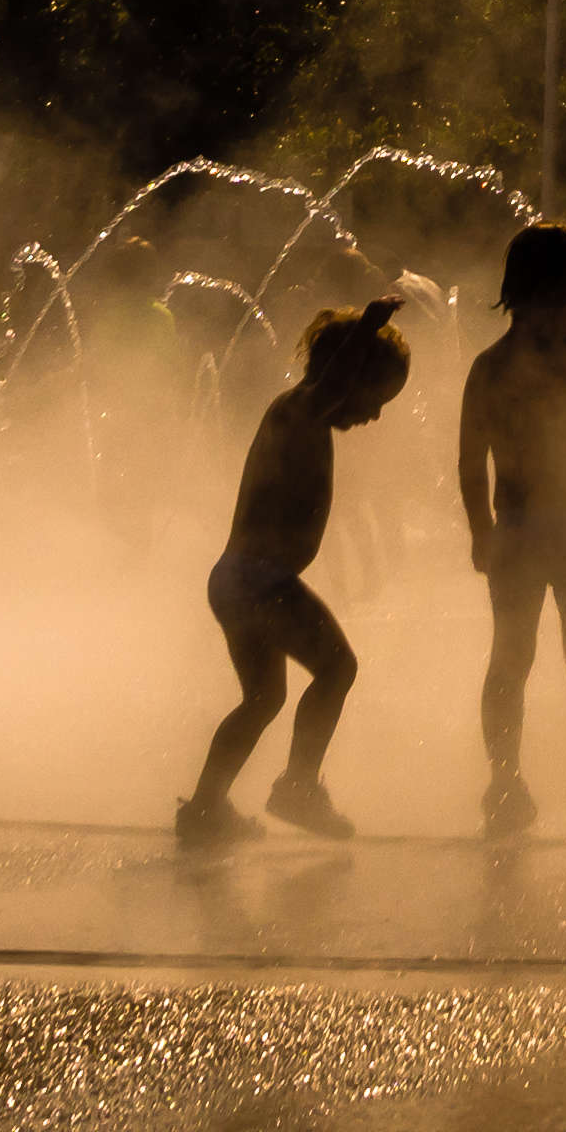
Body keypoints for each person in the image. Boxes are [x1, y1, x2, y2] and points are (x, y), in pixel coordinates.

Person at [183, 299, 414, 845]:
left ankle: (204, 808)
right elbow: (329, 386)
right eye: (374, 399)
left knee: (263, 699)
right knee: (338, 669)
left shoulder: (298, 414)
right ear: (345, 376)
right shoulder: (301, 410)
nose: (374, 415)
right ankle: (298, 786)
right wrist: (368, 327)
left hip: (238, 578)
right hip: (261, 581)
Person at [456, 222, 566, 834]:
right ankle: (511, 781)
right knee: (520, 659)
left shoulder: (537, 361)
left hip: (560, 532)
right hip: (536, 533)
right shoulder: (502, 368)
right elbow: (469, 459)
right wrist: (480, 529)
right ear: (526, 298)